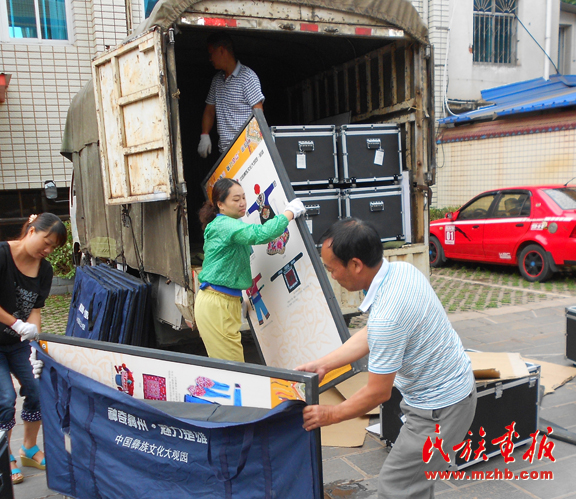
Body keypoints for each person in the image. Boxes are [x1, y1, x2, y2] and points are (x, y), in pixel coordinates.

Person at [296, 218, 476, 499]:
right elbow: (371, 334)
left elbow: (377, 392)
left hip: (440, 410)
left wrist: (330, 414)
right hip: (448, 395)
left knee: (396, 486)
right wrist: (325, 364)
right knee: (414, 485)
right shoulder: (402, 271)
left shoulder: (388, 317)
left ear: (356, 264)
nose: (332, 276)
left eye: (332, 269)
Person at [0, 213, 67, 485]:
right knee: (5, 397)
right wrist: (17, 324)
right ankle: (2, 456)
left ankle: (28, 449)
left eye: (54, 247)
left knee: (38, 388)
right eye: (46, 242)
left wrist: (36, 346)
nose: (48, 250)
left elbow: (35, 311)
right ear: (31, 231)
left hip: (17, 343)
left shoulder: (44, 270)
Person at [194, 177, 305, 361]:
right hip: (217, 304)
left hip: (221, 302)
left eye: (244, 197)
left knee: (230, 365)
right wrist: (289, 213)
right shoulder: (225, 225)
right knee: (232, 367)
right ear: (220, 204)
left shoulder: (226, 224)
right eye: (236, 199)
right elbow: (261, 234)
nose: (242, 203)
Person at [198, 32, 264, 157]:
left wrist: (250, 148)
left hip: (246, 151)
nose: (210, 59)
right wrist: (204, 135)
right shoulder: (217, 81)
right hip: (225, 152)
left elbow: (258, 113)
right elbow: (210, 110)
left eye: (211, 54)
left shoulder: (247, 77)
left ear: (221, 50)